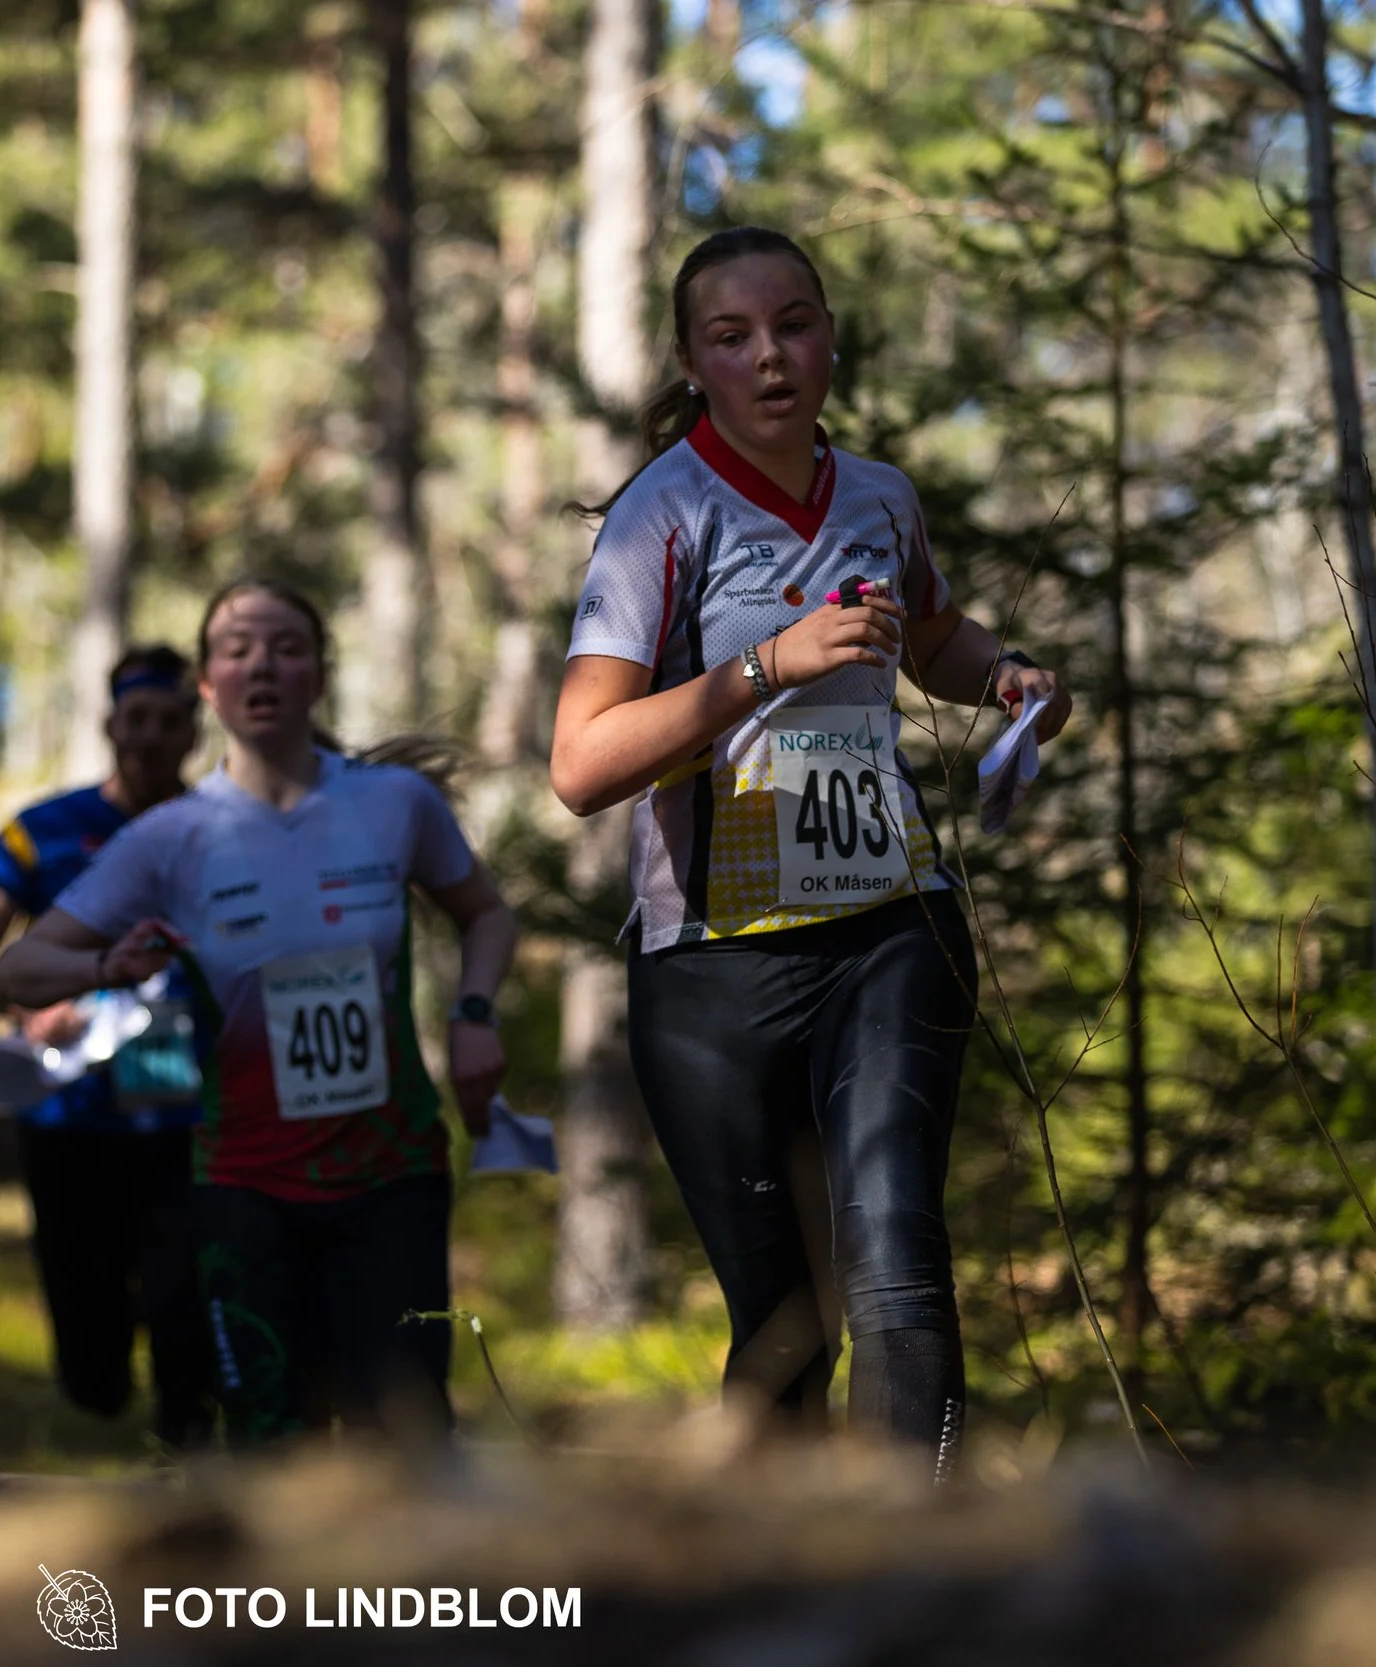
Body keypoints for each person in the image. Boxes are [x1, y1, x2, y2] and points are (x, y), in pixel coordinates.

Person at [548, 226, 1074, 1477]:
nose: (771, 357)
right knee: (785, 1321)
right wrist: (762, 665)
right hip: (712, 962)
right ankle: (785, 1571)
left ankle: (919, 1573)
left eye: (793, 324)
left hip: (890, 922)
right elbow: (580, 765)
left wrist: (1001, 675)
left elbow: (929, 633)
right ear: (693, 363)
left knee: (895, 1253)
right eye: (732, 338)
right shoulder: (658, 515)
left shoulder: (882, 495)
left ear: (832, 335)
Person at [0, 580, 518, 1447]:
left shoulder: (393, 804)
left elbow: (486, 914)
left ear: (319, 675)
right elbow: (20, 965)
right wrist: (103, 966)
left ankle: (412, 1587)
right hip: (245, 1186)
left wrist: (472, 1013)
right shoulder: (174, 837)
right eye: (236, 650)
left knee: (407, 1439)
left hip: (391, 1174)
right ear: (209, 687)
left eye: (285, 646)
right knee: (276, 1448)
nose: (262, 663)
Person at [0, 644, 217, 1449]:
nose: (148, 736)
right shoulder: (43, 832)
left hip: (184, 1106)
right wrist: (28, 1002)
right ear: (109, 724)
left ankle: (190, 1453)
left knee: (184, 1291)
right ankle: (103, 1380)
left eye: (169, 721)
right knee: (88, 1334)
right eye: (135, 718)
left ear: (193, 732)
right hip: (68, 1111)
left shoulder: (223, 826)